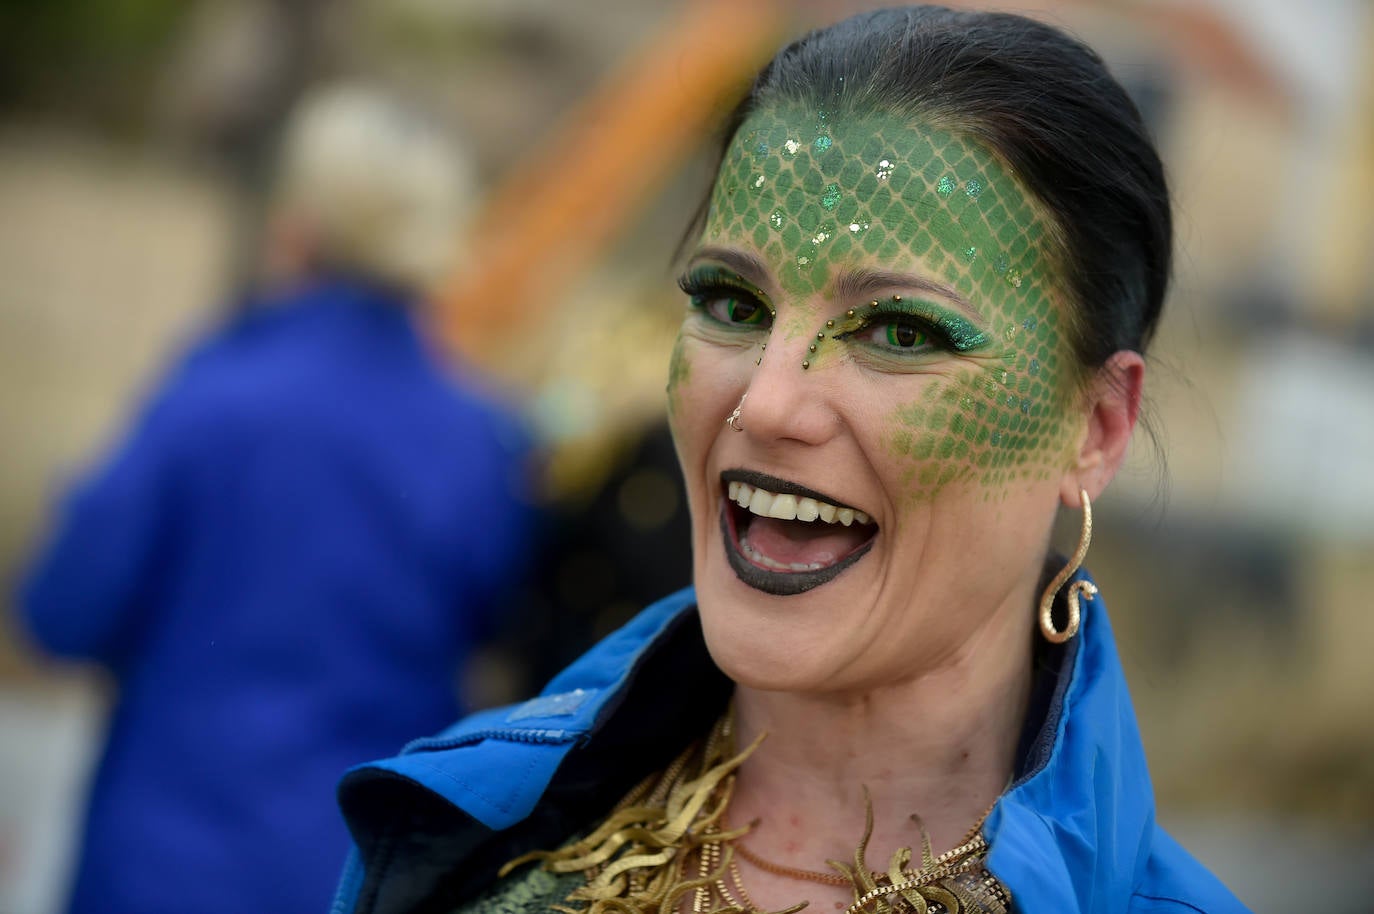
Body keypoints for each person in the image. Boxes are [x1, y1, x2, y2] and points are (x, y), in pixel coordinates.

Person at [329, 8, 1248, 914]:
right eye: (732, 304)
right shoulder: (450, 832)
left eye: (899, 329)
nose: (765, 402)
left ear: (1094, 427)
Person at [18, 85, 535, 914]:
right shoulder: (486, 439)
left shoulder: (212, 397)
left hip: (166, 863)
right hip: (361, 869)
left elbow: (63, 612)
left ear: (298, 224)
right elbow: (504, 637)